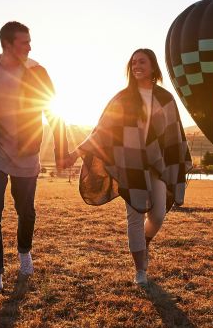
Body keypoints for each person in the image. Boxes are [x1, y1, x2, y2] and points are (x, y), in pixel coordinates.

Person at [0, 21, 76, 294]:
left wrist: (62, 152)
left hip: (27, 154)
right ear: (7, 44)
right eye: (24, 42)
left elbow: (54, 112)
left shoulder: (38, 73)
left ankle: (24, 252)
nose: (30, 46)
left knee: (26, 211)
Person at [77, 48, 192, 286]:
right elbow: (103, 130)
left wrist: (179, 159)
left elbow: (174, 133)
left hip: (157, 164)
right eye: (133, 62)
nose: (137, 65)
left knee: (158, 214)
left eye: (142, 61)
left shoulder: (165, 98)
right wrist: (77, 151)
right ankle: (140, 270)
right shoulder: (123, 98)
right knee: (135, 217)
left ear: (153, 66)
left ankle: (145, 242)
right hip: (130, 164)